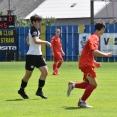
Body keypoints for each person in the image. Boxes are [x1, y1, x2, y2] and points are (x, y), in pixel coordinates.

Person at [67, 22, 112, 108]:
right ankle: (82, 101)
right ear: (102, 28)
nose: (104, 31)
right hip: (86, 64)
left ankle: (73, 85)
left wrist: (94, 63)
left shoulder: (94, 37)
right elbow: (93, 51)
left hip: (87, 63)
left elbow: (88, 53)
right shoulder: (94, 38)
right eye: (104, 29)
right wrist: (106, 55)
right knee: (94, 84)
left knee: (88, 83)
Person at [18, 14, 51, 99]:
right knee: (28, 75)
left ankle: (39, 91)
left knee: (45, 72)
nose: (40, 23)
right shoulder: (33, 29)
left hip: (38, 55)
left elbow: (27, 39)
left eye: (40, 21)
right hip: (32, 56)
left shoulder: (35, 30)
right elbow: (36, 40)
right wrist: (46, 42)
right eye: (38, 21)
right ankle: (21, 90)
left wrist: (29, 42)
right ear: (34, 22)